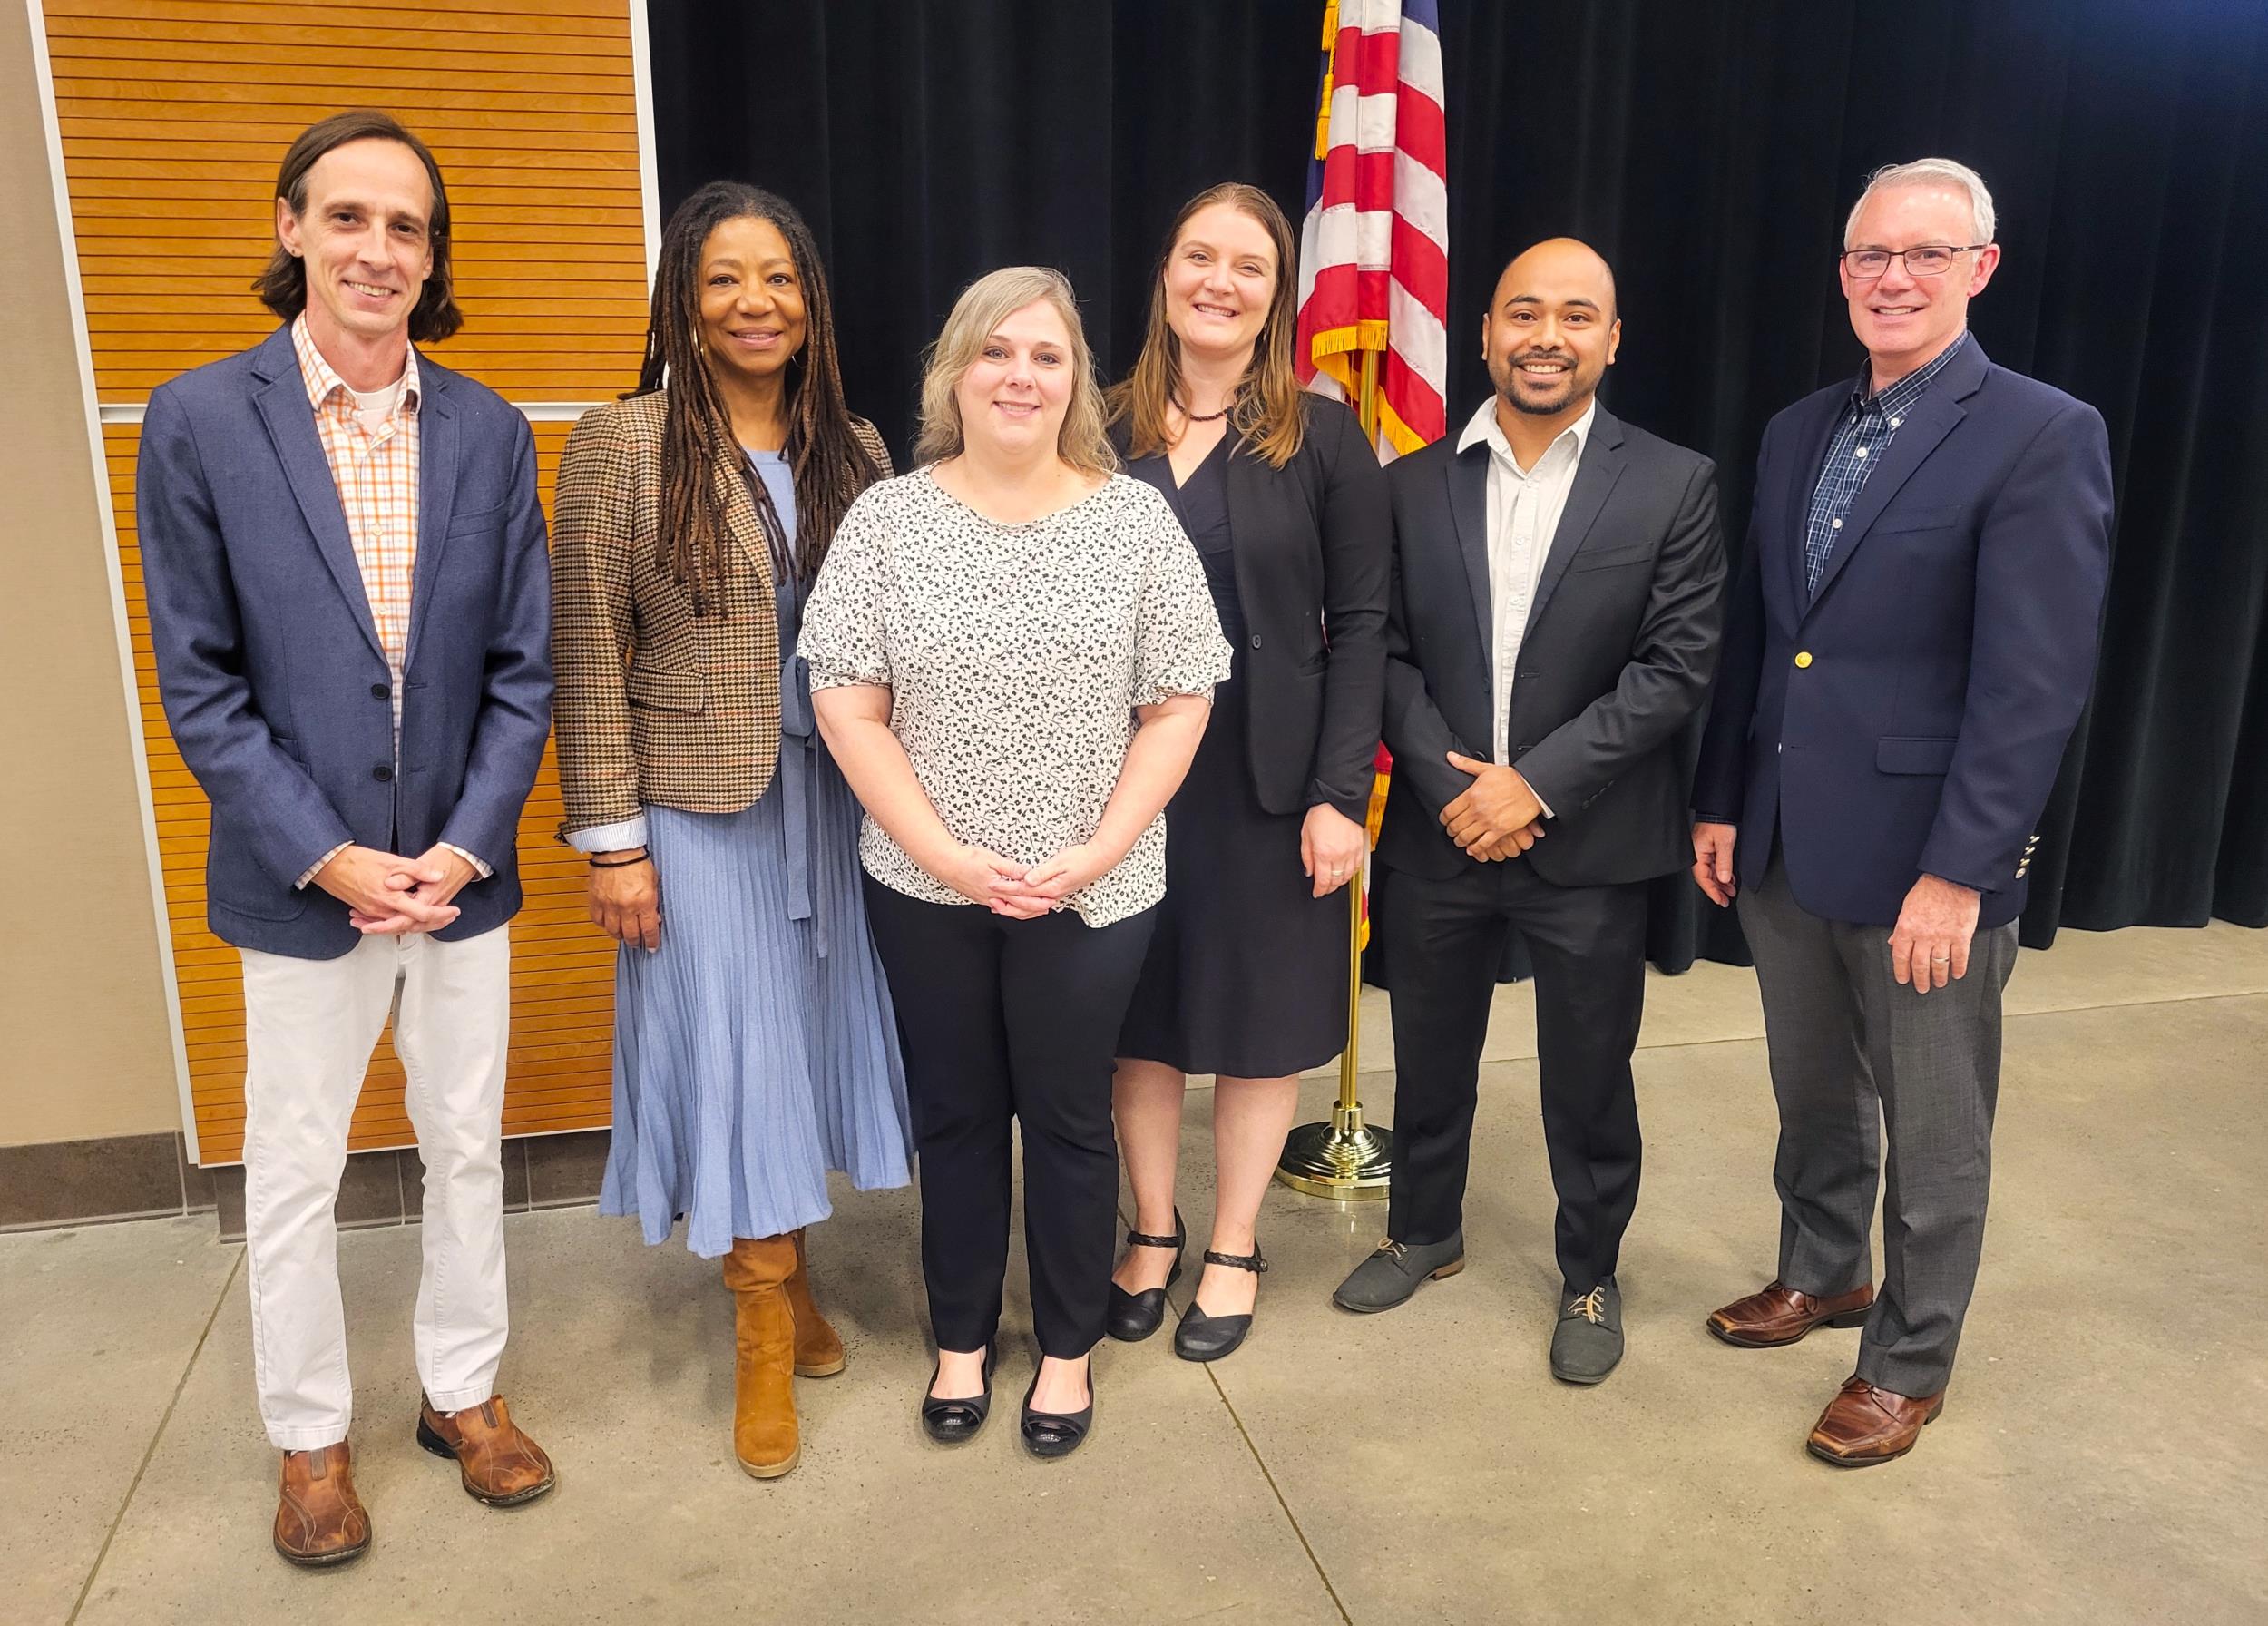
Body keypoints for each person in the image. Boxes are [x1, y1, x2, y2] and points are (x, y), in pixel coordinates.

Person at [137, 110, 555, 1567]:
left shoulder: (492, 432)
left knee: (464, 1145)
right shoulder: (199, 420)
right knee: (297, 1166)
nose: (381, 248)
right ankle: (310, 1437)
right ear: (291, 228)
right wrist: (328, 853)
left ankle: (464, 1396)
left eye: (408, 227)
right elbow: (199, 681)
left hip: (456, 883)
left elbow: (521, 672)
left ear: (430, 257)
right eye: (353, 217)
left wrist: (461, 846)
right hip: (301, 884)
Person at [1691, 159, 2114, 1466]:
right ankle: (1827, 1270)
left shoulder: (2043, 431)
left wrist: (1964, 872)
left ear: (1980, 269)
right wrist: (1722, 801)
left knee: (1936, 1128)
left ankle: (1910, 1357)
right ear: (1842, 270)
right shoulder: (1797, 427)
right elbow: (1765, 640)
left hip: (1927, 861)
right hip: (1781, 836)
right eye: (1872, 255)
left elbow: (2033, 684)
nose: (1894, 278)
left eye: (1926, 255)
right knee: (1813, 1092)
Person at [803, 266, 1231, 1459]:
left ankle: (1068, 1351)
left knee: (1066, 1118)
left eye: (1045, 355)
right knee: (955, 1116)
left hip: (1094, 890)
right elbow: (847, 703)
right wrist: (945, 852)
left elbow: (1181, 700)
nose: (1020, 375)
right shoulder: (888, 521)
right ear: (953, 371)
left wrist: (1097, 848)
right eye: (996, 352)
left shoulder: (1134, 519)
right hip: (928, 887)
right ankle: (958, 1340)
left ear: (1075, 380)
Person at [551, 182, 912, 1481]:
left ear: (811, 301)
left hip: (838, 801)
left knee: (804, 1047)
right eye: (723, 280)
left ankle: (797, 1281)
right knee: (738, 1050)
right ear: (685, 305)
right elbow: (588, 652)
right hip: (697, 811)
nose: (754, 302)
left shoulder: (860, 451)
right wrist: (614, 840)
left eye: (779, 278)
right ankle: (762, 1325)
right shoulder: (620, 443)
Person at [1331, 240, 1726, 1387]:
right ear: (1487, 332)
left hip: (1590, 839)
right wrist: (1456, 788)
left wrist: (1533, 783)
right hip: (1440, 833)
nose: (1544, 335)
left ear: (1612, 338)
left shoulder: (1671, 482)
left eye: (1574, 315)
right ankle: (1424, 1228)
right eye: (1521, 313)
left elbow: (1675, 664)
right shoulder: (1408, 484)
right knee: (1430, 1048)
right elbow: (1382, 650)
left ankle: (1592, 1270)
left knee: (1588, 1074)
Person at [1104, 183, 1389, 1362]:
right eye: (1198, 256)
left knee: (1263, 1024)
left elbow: (1365, 624)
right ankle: (1153, 1232)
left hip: (1273, 791)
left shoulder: (1322, 437)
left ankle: (1232, 1243)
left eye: (1249, 265)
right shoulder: (1092, 424)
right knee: (1142, 1020)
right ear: (1165, 274)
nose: (1220, 281)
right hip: (1116, 786)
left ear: (1278, 294)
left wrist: (1339, 795)